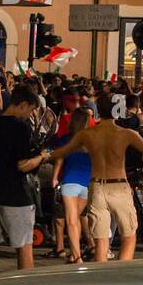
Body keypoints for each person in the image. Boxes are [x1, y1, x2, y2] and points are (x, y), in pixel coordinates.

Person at [45, 92, 143, 264]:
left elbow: (61, 152)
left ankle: (102, 275)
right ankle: (120, 273)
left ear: (97, 112)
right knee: (129, 234)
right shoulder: (126, 134)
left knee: (101, 239)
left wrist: (41, 156)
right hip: (118, 186)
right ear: (118, 110)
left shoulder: (87, 134)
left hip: (96, 187)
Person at [0, 86, 51, 282]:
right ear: (22, 105)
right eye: (30, 110)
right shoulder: (20, 128)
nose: (30, 115)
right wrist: (42, 157)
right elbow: (22, 165)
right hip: (16, 196)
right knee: (24, 247)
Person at [53, 107, 93, 264]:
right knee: (76, 219)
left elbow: (59, 159)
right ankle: (73, 254)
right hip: (87, 183)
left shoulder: (66, 139)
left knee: (71, 221)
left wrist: (55, 177)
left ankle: (77, 257)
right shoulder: (92, 139)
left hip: (70, 182)